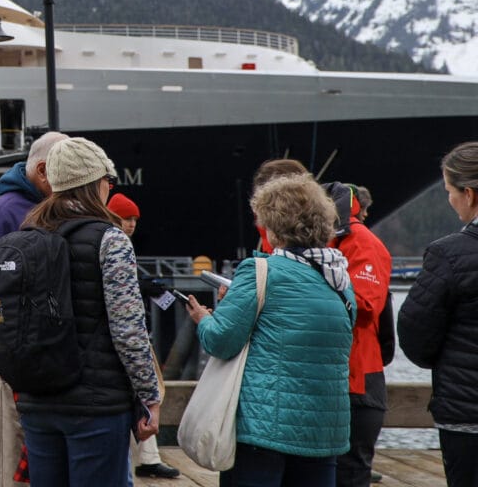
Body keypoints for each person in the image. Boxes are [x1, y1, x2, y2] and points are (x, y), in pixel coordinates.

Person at [183, 173, 354, 487]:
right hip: (324, 431)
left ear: (274, 226)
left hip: (264, 430)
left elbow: (221, 341)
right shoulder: (341, 283)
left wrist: (203, 319)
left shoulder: (260, 270)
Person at [10, 140, 162, 487]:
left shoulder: (27, 235)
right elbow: (128, 329)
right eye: (109, 178)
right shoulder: (110, 239)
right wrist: (149, 396)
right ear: (95, 182)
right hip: (96, 406)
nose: (111, 186)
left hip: (38, 402)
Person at [0, 130, 68, 486]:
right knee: (11, 460)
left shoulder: (41, 209)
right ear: (42, 171)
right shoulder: (3, 215)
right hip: (11, 366)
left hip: (43, 362)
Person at [398, 141, 478, 487]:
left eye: (450, 191)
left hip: (468, 414)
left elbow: (416, 335)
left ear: (469, 194)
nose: (450, 199)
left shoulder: (449, 254)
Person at [104, 192, 182, 480]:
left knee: (145, 394)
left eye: (135, 219)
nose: (132, 224)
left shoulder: (117, 244)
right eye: (126, 218)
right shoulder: (111, 243)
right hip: (122, 338)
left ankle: (148, 457)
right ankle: (144, 459)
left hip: (127, 336)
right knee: (143, 393)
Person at [323, 183, 391, 487]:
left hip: (358, 378)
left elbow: (365, 304)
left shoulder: (362, 242)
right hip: (326, 374)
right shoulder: (323, 240)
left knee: (350, 470)